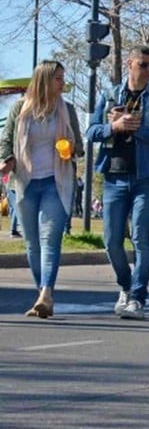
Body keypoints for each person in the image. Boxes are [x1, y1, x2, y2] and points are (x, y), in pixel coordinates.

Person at [86, 46, 149, 320]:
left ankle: (138, 298)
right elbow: (91, 132)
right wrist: (113, 127)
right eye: (143, 64)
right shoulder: (110, 94)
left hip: (146, 178)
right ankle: (125, 286)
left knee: (140, 238)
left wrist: (135, 127)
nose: (148, 70)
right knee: (112, 240)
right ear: (129, 64)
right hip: (114, 176)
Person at [0, 61, 84, 318]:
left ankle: (46, 292)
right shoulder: (19, 110)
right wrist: (6, 159)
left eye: (62, 78)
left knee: (50, 240)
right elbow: (6, 140)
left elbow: (79, 148)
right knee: (31, 243)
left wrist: (70, 148)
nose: (62, 83)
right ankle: (43, 296)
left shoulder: (67, 110)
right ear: (44, 81)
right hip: (24, 182)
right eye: (58, 78)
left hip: (56, 182)